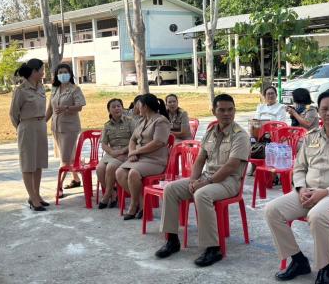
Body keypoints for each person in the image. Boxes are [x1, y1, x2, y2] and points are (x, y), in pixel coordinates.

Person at [265, 90, 329, 284]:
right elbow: (299, 168)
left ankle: (325, 267)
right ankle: (298, 260)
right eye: (324, 109)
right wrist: (301, 189)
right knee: (272, 210)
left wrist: (326, 191)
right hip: (308, 193)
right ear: (318, 112)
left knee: (317, 215)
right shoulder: (311, 137)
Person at [155, 94, 250, 267]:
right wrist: (193, 180)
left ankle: (213, 248)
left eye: (230, 110)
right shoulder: (210, 133)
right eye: (222, 110)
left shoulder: (240, 135)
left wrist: (204, 183)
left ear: (235, 111)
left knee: (202, 195)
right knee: (171, 189)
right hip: (208, 178)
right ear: (214, 111)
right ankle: (172, 240)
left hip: (229, 182)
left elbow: (231, 166)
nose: (226, 113)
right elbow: (200, 160)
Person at [115, 94, 170, 220]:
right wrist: (132, 151)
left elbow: (158, 142)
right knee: (119, 172)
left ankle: (134, 205)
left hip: (155, 160)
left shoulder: (161, 120)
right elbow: (133, 139)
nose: (136, 107)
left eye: (138, 104)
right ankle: (142, 203)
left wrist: (136, 152)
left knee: (133, 173)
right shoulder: (142, 120)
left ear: (145, 106)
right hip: (140, 158)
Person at [9, 59, 49, 211]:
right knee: (28, 164)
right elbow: (13, 113)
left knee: (38, 163)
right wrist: (21, 128)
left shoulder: (41, 88)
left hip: (40, 126)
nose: (43, 72)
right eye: (41, 69)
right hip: (27, 127)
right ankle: (32, 199)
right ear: (34, 71)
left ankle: (36, 195)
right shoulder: (21, 90)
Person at [45, 63, 86, 198]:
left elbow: (80, 106)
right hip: (56, 127)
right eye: (60, 72)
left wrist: (66, 108)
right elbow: (50, 108)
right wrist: (43, 122)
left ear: (70, 73)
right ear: (57, 75)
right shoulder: (55, 89)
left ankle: (59, 187)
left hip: (69, 128)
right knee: (70, 156)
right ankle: (76, 179)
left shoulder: (75, 89)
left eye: (65, 72)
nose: (63, 74)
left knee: (65, 159)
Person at [97, 98, 136, 209]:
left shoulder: (130, 121)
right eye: (113, 107)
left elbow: (135, 140)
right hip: (112, 152)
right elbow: (104, 144)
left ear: (122, 108)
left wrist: (122, 151)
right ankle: (113, 194)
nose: (116, 108)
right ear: (109, 110)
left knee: (111, 167)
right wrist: (112, 152)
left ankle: (106, 195)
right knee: (99, 169)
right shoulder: (107, 125)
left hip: (127, 151)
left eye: (119, 106)